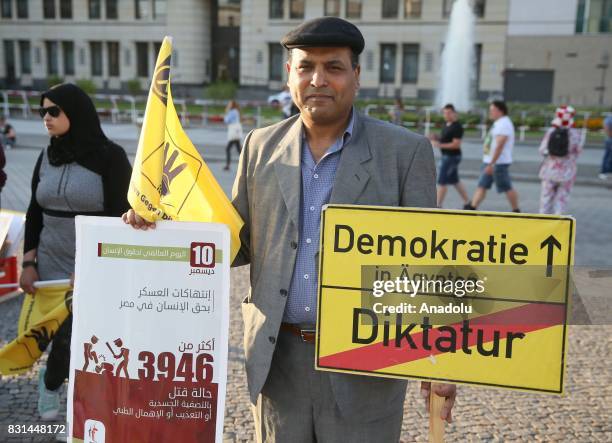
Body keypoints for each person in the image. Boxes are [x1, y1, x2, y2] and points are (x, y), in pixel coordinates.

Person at [123, 17, 456, 442]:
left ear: (356, 75)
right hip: (277, 361)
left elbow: (431, 267)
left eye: (333, 67)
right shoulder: (259, 146)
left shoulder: (404, 152)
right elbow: (233, 244)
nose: (318, 79)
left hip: (365, 367)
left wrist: (441, 361)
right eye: (306, 67)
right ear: (289, 75)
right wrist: (161, 222)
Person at [19, 83, 132, 430]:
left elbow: (121, 218)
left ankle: (53, 386)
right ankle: (62, 386)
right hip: (50, 263)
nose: (46, 119)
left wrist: (95, 268)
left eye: (54, 111)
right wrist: (28, 262)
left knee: (77, 336)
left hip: (92, 265)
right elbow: (34, 212)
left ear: (77, 113)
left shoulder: (109, 157)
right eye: (42, 112)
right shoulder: (46, 155)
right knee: (56, 335)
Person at [464, 100, 520, 212]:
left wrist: (491, 164)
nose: (490, 113)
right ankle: (473, 207)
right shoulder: (499, 122)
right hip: (492, 162)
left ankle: (516, 210)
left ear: (500, 111)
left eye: (492, 110)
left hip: (498, 163)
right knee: (482, 185)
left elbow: (500, 145)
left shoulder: (504, 124)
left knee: (506, 187)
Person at [538, 106, 583, 214]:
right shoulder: (576, 133)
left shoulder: (551, 131)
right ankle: (558, 224)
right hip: (567, 172)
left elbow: (542, 150)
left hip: (550, 170)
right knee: (562, 200)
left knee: (546, 199)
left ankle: (544, 223)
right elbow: (578, 152)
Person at [429, 103, 469, 208]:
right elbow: (445, 139)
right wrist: (436, 138)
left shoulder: (457, 127)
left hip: (452, 157)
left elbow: (456, 145)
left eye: (449, 113)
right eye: (444, 113)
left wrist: (439, 144)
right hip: (447, 156)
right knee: (455, 181)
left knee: (442, 181)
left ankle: (438, 205)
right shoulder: (446, 125)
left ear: (454, 113)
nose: (446, 115)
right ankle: (467, 203)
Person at [223, 100, 243, 171]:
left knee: (228, 148)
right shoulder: (236, 111)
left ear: (232, 105)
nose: (228, 105)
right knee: (239, 150)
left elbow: (226, 120)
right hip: (236, 131)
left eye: (229, 104)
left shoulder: (232, 112)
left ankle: (228, 165)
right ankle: (246, 164)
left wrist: (226, 112)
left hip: (233, 131)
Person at [600, 111, 612, 179]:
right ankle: (604, 172)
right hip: (610, 139)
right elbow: (607, 128)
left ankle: (607, 172)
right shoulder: (609, 118)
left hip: (609, 139)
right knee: (608, 156)